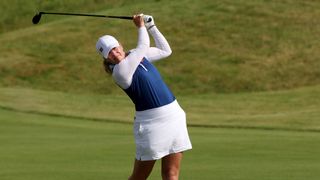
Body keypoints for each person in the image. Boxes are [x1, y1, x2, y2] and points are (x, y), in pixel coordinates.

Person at [96, 14, 192, 180]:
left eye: (114, 47)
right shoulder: (119, 72)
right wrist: (140, 26)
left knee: (171, 173)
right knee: (139, 177)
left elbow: (165, 50)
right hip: (151, 125)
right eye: (109, 52)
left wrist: (152, 27)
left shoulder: (135, 54)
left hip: (174, 116)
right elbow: (143, 45)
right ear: (106, 58)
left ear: (120, 44)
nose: (114, 52)